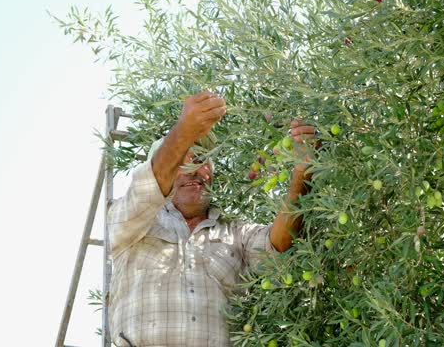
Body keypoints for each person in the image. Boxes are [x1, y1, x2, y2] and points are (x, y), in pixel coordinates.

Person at [107, 91, 316, 346]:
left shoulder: (236, 232)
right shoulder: (132, 221)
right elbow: (147, 188)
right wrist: (184, 131)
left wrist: (302, 170)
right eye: (181, 161)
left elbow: (278, 247)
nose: (192, 169)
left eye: (200, 159)